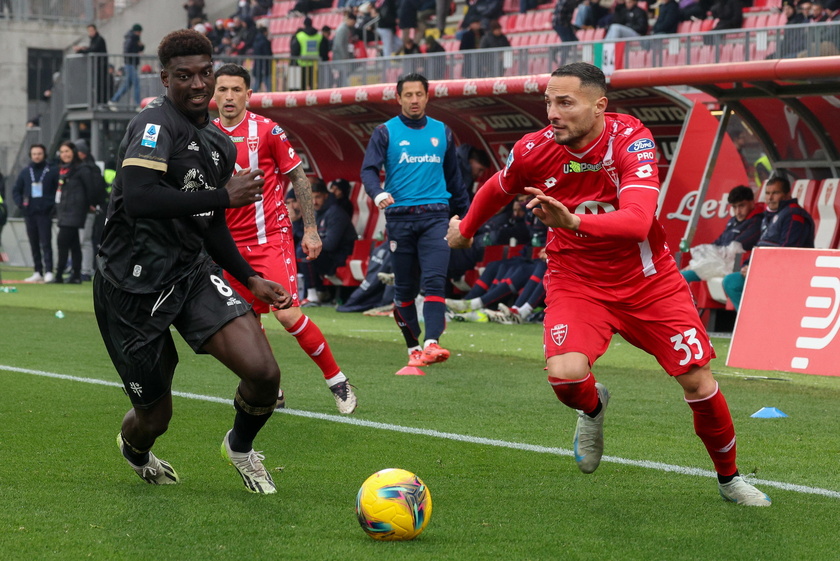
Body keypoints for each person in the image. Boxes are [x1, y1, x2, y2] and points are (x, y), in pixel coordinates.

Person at [446, 62, 771, 506]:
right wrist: (465, 228)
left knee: (698, 382)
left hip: (647, 281)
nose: (553, 113)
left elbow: (638, 222)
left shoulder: (631, 140)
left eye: (565, 103)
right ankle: (593, 407)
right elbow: (500, 188)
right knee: (564, 377)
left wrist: (572, 219)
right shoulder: (532, 150)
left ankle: (730, 479)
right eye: (548, 102)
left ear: (599, 106)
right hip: (576, 281)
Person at [94, 29, 292, 494]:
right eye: (185, 76)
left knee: (264, 374)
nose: (199, 84)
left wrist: (249, 276)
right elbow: (140, 198)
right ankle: (135, 449)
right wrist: (226, 194)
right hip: (131, 289)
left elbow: (210, 221)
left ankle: (239, 447)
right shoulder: (153, 125)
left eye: (206, 73)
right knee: (154, 418)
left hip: (191, 273)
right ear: (165, 79)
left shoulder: (219, 145)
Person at [212, 63, 358, 413]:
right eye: (223, 90)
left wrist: (310, 229)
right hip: (229, 247)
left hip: (270, 239)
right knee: (245, 322)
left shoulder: (267, 130)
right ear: (213, 94)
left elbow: (300, 179)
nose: (229, 96)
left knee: (287, 314)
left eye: (236, 90)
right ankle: (270, 387)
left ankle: (336, 379)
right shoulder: (203, 134)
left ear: (249, 94)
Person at [360, 72, 469, 369]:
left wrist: (468, 218)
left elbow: (455, 179)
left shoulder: (442, 132)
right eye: (408, 95)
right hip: (400, 217)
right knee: (405, 289)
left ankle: (432, 343)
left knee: (434, 280)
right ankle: (413, 346)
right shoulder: (385, 132)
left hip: (436, 215)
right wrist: (378, 192)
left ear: (427, 96)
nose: (414, 100)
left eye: (419, 94)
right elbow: (368, 170)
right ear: (398, 99)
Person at [722, 176, 815, 310]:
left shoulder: (794, 215)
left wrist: (757, 268)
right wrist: (747, 265)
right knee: (732, 281)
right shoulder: (770, 215)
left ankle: (755, 323)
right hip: (765, 269)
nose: (770, 197)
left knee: (732, 282)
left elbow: (788, 253)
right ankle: (750, 322)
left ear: (787, 194)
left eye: (775, 193)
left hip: (786, 273)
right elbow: (760, 246)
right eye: (767, 193)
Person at [681, 185, 764, 283]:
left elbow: (734, 248)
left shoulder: (757, 222)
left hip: (734, 268)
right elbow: (717, 243)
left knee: (682, 277)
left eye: (742, 206)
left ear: (751, 203)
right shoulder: (732, 221)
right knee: (680, 275)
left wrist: (697, 264)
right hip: (718, 263)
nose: (738, 211)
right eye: (734, 207)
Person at [298, 178, 358, 305]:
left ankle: (315, 294)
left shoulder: (336, 213)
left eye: (318, 197)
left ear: (326, 196)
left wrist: (311, 244)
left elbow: (331, 244)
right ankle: (315, 291)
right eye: (311, 198)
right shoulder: (316, 213)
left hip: (340, 256)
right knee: (299, 249)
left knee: (304, 252)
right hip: (327, 255)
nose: (314, 202)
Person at [52, 142, 99, 284]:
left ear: (74, 152)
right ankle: (76, 275)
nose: (64, 154)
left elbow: (91, 189)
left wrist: (89, 204)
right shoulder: (63, 170)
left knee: (62, 242)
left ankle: (59, 274)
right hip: (65, 211)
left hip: (75, 211)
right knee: (74, 244)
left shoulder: (82, 169)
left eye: (67, 151)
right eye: (62, 151)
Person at [13, 144, 57, 283]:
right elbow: (16, 190)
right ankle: (38, 271)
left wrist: (52, 206)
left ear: (44, 154)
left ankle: (49, 270)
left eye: (39, 153)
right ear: (31, 155)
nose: (37, 156)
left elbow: (58, 190)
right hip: (29, 213)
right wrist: (21, 204)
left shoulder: (52, 170)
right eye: (34, 154)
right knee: (34, 243)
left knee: (46, 242)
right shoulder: (26, 172)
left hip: (45, 213)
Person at [74, 139, 108, 281]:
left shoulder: (87, 169)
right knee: (82, 240)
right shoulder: (92, 168)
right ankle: (81, 268)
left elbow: (92, 189)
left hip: (85, 209)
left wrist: (91, 203)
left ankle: (85, 269)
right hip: (81, 209)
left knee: (84, 240)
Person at [109, 24, 145, 110]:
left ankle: (114, 100)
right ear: (137, 32)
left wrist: (140, 47)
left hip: (132, 64)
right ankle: (137, 104)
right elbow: (127, 51)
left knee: (127, 85)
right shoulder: (131, 39)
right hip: (130, 64)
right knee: (136, 83)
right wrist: (136, 53)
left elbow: (139, 48)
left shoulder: (134, 38)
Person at [74, 24, 110, 105]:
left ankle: (102, 103)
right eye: (89, 31)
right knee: (96, 85)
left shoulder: (99, 39)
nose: (90, 33)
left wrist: (81, 49)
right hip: (97, 66)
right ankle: (98, 102)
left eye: (91, 31)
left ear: (95, 30)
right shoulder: (94, 40)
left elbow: (93, 49)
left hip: (101, 66)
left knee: (101, 85)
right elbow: (91, 49)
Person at [290, 17, 329, 90]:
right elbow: (324, 52)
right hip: (316, 66)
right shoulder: (319, 37)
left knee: (302, 88)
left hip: (302, 65)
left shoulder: (299, 36)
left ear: (304, 25)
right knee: (315, 87)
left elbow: (295, 52)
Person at [251, 23, 273, 93]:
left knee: (256, 84)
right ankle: (271, 98)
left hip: (257, 66)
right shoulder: (265, 41)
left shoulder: (255, 41)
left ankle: (251, 99)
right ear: (265, 32)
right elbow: (268, 54)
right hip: (265, 66)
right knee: (268, 85)